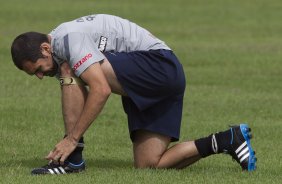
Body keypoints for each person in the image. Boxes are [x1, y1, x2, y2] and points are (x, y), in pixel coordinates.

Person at [11, 14, 257, 175]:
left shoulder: (67, 42)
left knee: (70, 70)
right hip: (156, 79)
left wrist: (72, 139)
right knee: (149, 164)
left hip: (160, 66)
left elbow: (100, 89)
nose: (41, 76)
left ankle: (73, 159)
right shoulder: (56, 53)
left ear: (45, 48)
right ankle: (228, 140)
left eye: (38, 70)